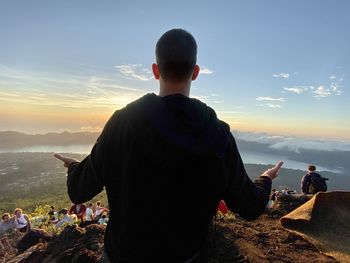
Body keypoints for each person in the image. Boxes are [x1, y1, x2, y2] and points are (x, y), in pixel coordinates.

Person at [54, 28, 283, 262]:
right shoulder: (217, 133)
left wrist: (74, 167)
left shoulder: (123, 122)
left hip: (123, 255)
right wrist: (265, 178)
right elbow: (250, 206)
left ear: (155, 70)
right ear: (195, 73)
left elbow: (80, 190)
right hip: (185, 256)